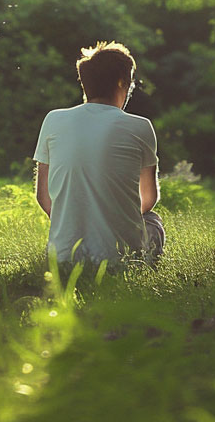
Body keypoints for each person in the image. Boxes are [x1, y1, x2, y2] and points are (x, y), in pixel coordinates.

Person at [33, 41, 164, 266]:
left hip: (62, 259)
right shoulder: (141, 126)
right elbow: (149, 198)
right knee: (152, 221)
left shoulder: (53, 119)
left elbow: (43, 197)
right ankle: (143, 266)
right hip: (121, 260)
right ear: (123, 82)